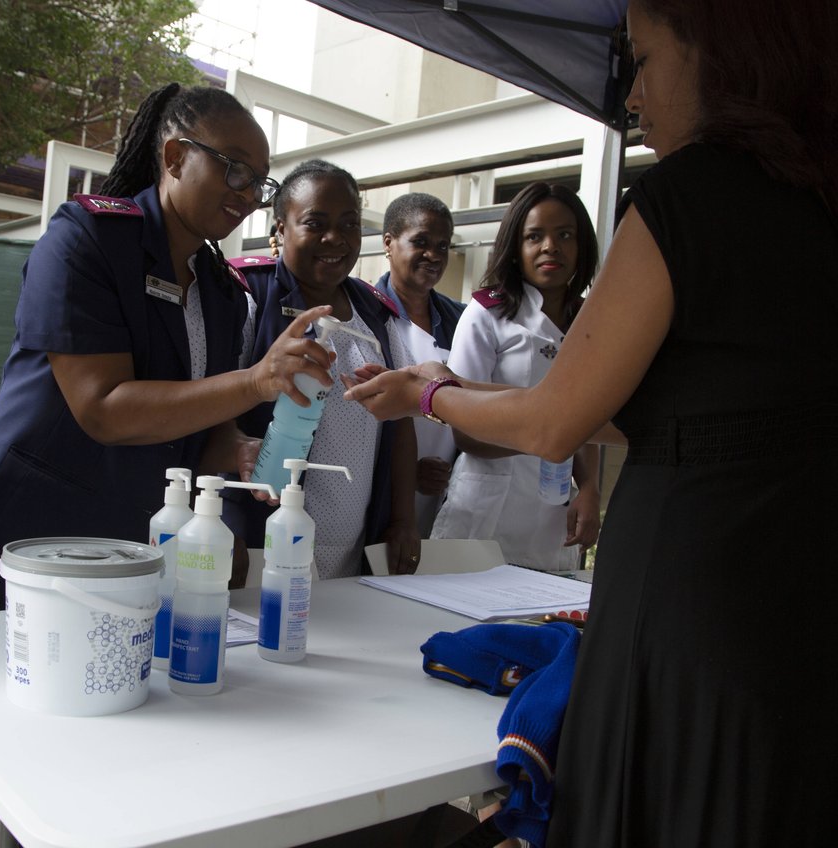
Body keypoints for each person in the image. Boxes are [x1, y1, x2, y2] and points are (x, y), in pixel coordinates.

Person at [344, 0, 838, 841]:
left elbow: (554, 423)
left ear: (717, 54)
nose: (632, 99)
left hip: (687, 592)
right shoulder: (816, 205)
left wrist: (423, 394)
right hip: (790, 585)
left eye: (642, 60)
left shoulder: (689, 195)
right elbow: (658, 408)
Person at [0, 83, 332, 847]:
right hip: (30, 542)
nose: (247, 193)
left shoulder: (219, 285)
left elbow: (203, 417)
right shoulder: (85, 237)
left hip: (122, 556)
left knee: (97, 757)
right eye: (234, 169)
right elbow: (102, 406)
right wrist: (255, 381)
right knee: (6, 767)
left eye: (259, 180)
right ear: (174, 156)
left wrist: (230, 461)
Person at [227, 159, 419, 577]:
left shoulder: (379, 316)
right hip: (261, 538)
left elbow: (402, 423)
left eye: (349, 224)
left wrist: (403, 518)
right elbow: (214, 406)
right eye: (316, 223)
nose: (335, 238)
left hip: (355, 537)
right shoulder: (248, 298)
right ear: (280, 229)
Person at [427, 182, 602, 572]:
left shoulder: (591, 323)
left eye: (565, 235)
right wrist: (549, 435)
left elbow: (590, 421)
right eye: (534, 236)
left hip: (551, 511)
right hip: (487, 506)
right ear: (515, 247)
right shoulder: (487, 314)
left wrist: (589, 488)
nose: (550, 247)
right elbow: (464, 427)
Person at [374, 192, 466, 536]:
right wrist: (407, 471)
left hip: (448, 491)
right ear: (389, 243)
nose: (433, 255)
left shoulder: (463, 319)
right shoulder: (366, 312)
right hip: (385, 492)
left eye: (443, 246)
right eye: (421, 242)